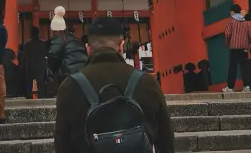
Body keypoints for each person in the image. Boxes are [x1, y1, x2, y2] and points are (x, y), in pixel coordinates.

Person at [54, 16, 174, 153]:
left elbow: (62, 144)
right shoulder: (147, 82)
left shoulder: (70, 87)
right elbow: (166, 140)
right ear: (121, 46)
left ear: (88, 48)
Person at [48, 6, 88, 85]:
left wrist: (50, 70)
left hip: (68, 75)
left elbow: (53, 58)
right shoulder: (76, 40)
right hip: (83, 74)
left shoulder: (58, 40)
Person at [222, 4, 251, 92]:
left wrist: (227, 43)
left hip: (234, 48)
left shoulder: (231, 21)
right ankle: (247, 86)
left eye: (230, 11)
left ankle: (230, 87)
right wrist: (247, 44)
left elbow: (227, 34)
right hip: (244, 48)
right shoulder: (245, 21)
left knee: (233, 67)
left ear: (232, 11)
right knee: (244, 67)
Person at [21, 26, 49, 98]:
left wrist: (23, 66)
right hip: (40, 66)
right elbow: (46, 54)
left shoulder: (27, 44)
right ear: (38, 33)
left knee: (29, 84)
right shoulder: (42, 44)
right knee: (41, 85)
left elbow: (25, 57)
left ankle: (29, 98)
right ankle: (42, 99)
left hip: (31, 66)